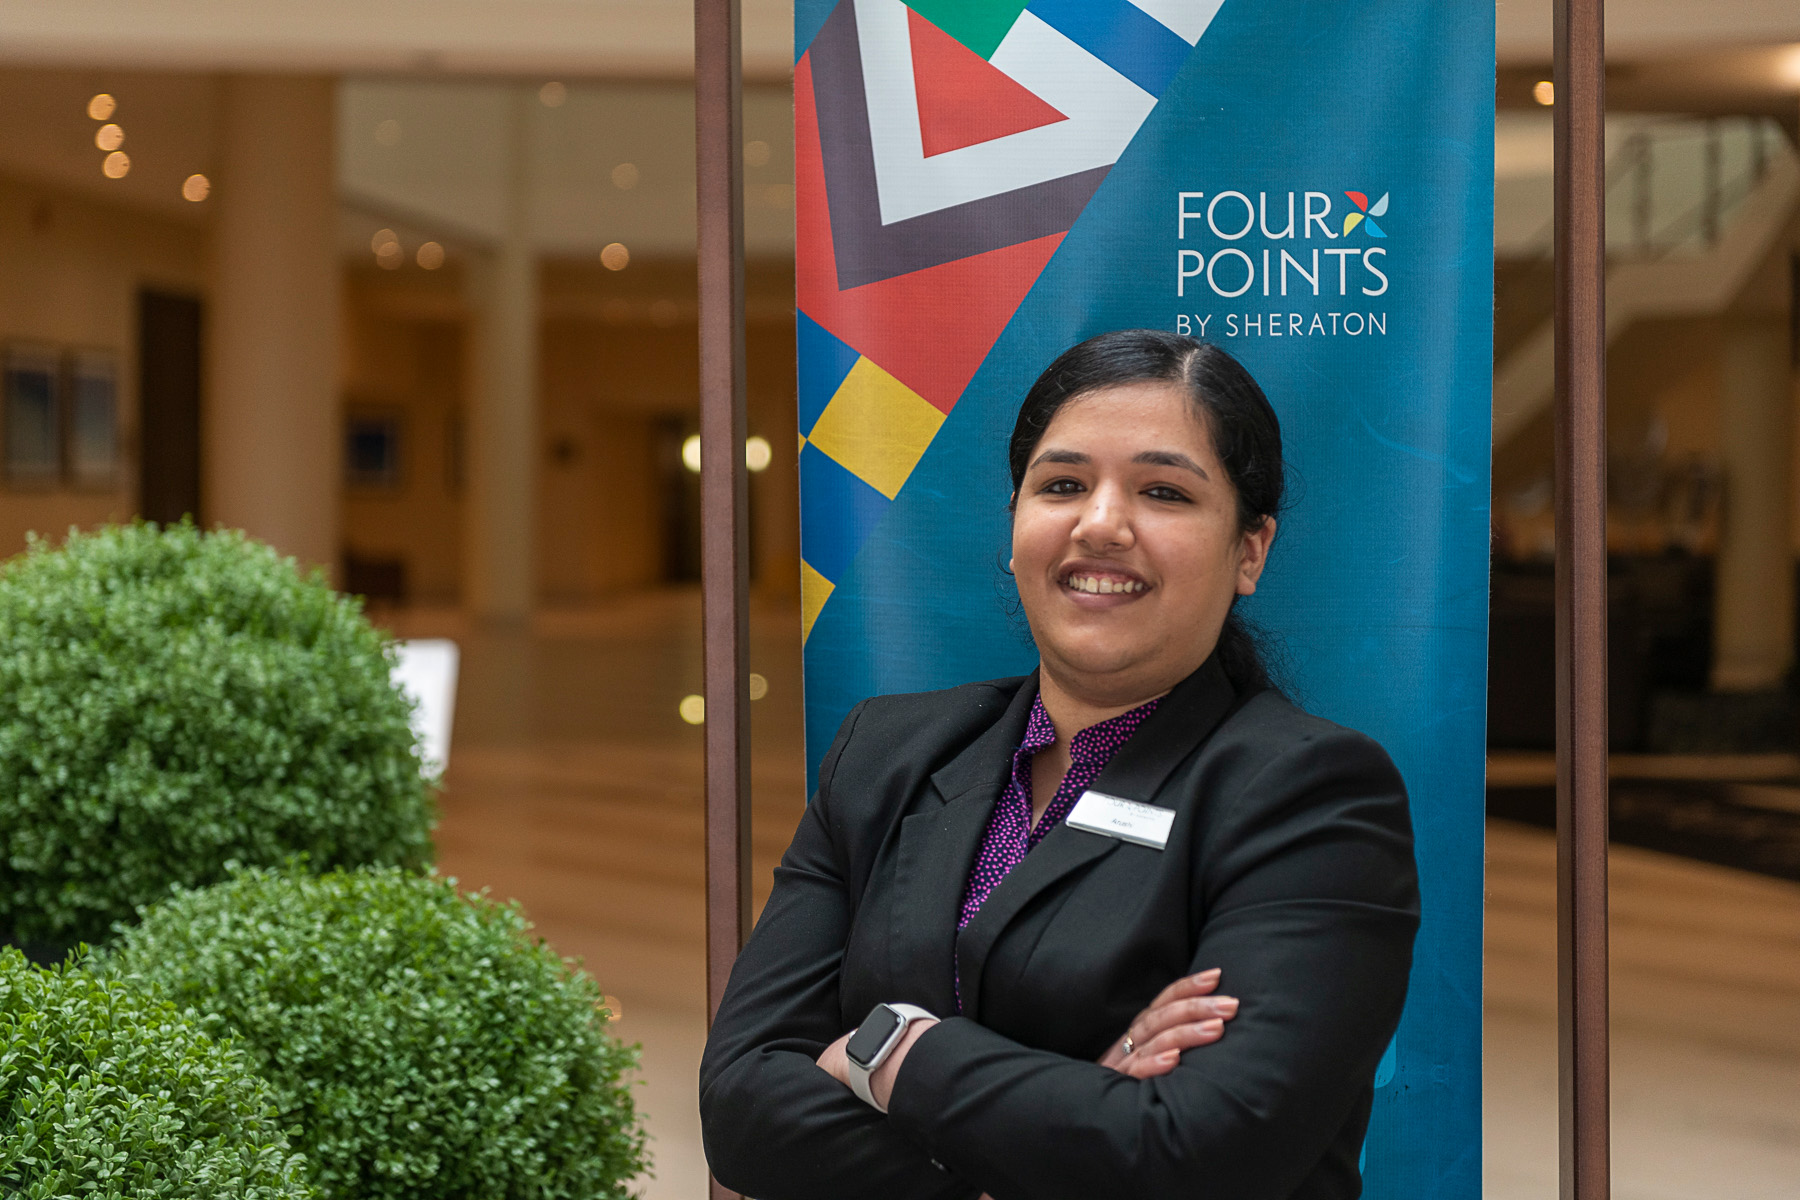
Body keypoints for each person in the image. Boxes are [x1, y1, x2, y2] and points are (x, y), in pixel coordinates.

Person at [699, 329, 1419, 1200]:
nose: (1101, 523)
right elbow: (740, 1103)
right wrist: (1078, 1120)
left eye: (1163, 492)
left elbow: (1197, 1156)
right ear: (1015, 525)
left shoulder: (1311, 796)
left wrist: (890, 1051)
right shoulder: (885, 753)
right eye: (1063, 485)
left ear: (1250, 551)